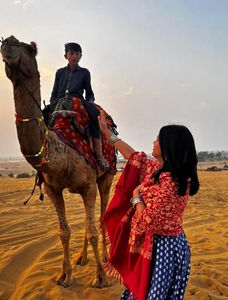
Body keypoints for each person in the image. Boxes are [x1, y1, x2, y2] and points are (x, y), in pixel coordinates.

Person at [99, 113, 200, 300]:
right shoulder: (160, 171)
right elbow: (135, 157)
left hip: (164, 250)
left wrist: (136, 196)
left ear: (168, 147)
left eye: (157, 139)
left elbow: (149, 221)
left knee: (154, 294)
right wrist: (109, 135)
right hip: (157, 245)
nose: (153, 142)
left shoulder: (172, 182)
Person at [50, 42, 109, 171]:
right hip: (59, 101)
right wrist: (52, 104)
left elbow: (89, 93)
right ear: (65, 55)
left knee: (95, 116)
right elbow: (54, 92)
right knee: (42, 117)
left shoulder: (84, 73)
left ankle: (99, 155)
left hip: (77, 101)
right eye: (71, 53)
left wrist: (90, 103)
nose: (74, 56)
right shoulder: (59, 72)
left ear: (81, 56)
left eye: (77, 53)